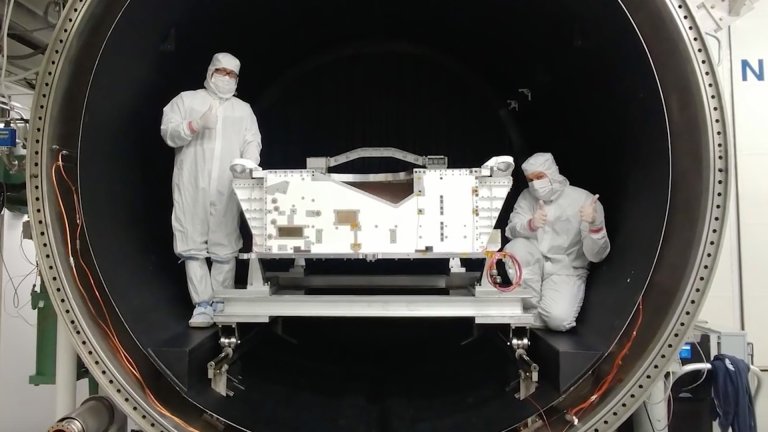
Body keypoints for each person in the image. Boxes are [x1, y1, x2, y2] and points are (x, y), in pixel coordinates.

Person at [160, 53, 262, 328]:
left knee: (224, 246)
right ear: (210, 71)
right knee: (192, 244)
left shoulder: (243, 110)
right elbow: (168, 132)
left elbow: (252, 141)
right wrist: (194, 125)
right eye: (221, 71)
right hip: (192, 184)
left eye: (232, 74)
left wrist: (248, 164)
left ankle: (222, 301)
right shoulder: (187, 101)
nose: (226, 77)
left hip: (226, 186)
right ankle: (202, 305)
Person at [504, 153, 610, 331]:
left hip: (566, 269)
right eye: (530, 180)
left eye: (540, 177)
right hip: (536, 263)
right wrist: (530, 225)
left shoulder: (584, 201)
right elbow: (511, 230)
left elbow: (596, 255)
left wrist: (594, 225)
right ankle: (530, 306)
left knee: (558, 320)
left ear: (552, 172)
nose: (535, 184)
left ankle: (534, 315)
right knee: (516, 248)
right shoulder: (527, 197)